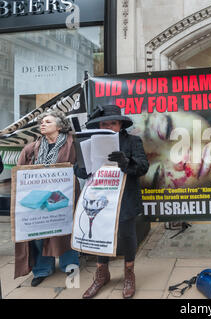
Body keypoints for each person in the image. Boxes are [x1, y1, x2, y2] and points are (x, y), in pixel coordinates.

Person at [75, 105, 149, 299]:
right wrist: (83, 166)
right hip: (99, 198)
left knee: (127, 235)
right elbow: (80, 170)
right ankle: (102, 274)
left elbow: (143, 167)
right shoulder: (90, 141)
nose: (108, 126)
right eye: (104, 123)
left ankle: (129, 274)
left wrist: (126, 162)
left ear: (120, 124)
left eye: (113, 123)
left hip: (124, 197)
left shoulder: (133, 141)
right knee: (100, 233)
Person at [14, 110, 80, 286]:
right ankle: (42, 269)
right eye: (41, 122)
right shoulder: (31, 148)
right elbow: (20, 172)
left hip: (64, 195)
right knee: (38, 232)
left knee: (66, 229)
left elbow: (81, 167)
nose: (42, 124)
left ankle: (70, 265)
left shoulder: (73, 144)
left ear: (59, 126)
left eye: (48, 122)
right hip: (38, 198)